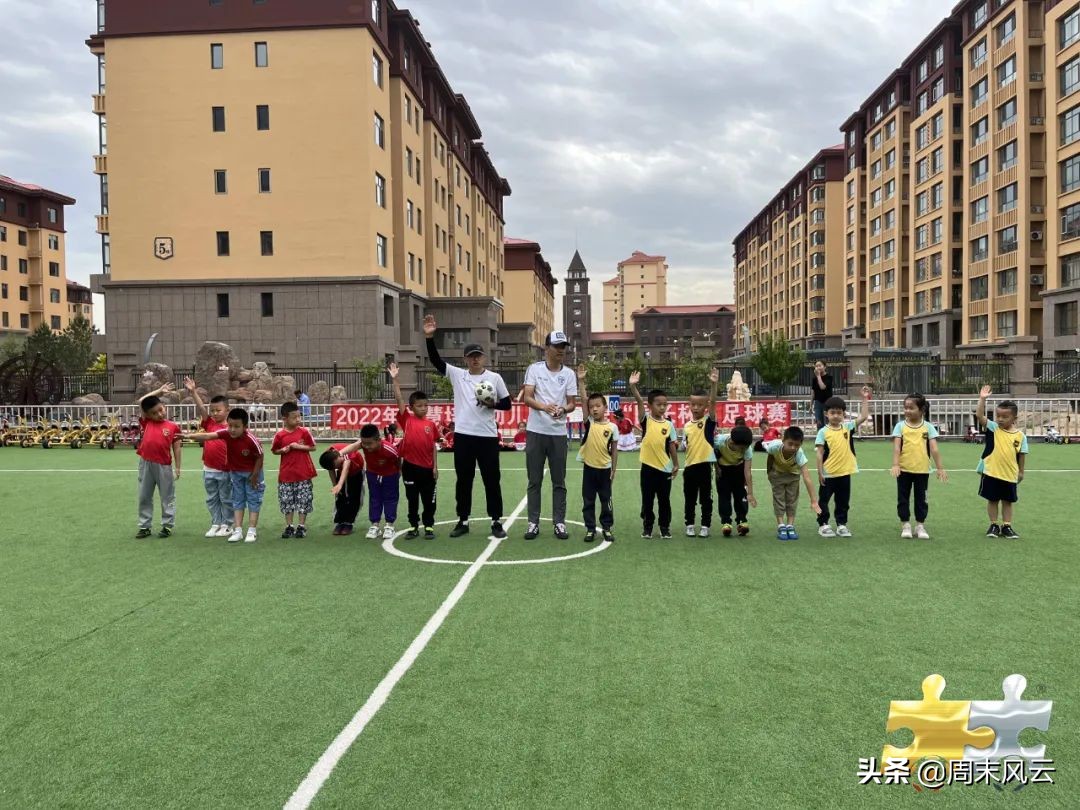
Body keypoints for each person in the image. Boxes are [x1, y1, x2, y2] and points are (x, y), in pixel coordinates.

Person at [424, 314, 511, 538]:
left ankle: (496, 521)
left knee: (492, 480)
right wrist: (429, 337)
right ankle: (463, 520)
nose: (475, 360)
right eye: (471, 357)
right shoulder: (458, 375)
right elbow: (435, 361)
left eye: (478, 356)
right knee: (464, 481)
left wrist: (492, 403)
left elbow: (507, 404)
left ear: (483, 358)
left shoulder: (494, 378)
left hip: (488, 437)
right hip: (463, 436)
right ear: (465, 359)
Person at [522, 331, 579, 540]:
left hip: (558, 434)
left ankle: (559, 522)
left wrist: (563, 409)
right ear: (547, 348)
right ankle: (533, 523)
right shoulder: (534, 369)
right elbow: (527, 398)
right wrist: (545, 407)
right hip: (536, 431)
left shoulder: (569, 374)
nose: (561, 350)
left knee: (559, 481)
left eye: (564, 346)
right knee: (534, 480)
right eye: (557, 346)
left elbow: (572, 403)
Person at [186, 408, 265, 543]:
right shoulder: (226, 433)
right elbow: (208, 436)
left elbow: (260, 456)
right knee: (237, 500)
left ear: (245, 427)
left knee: (253, 500)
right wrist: (187, 436)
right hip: (236, 474)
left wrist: (255, 475)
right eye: (230, 426)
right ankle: (238, 530)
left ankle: (252, 531)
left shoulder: (251, 439)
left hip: (252, 475)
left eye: (236, 427)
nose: (232, 430)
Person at [389, 363, 438, 539]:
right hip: (409, 467)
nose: (423, 408)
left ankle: (429, 526)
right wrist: (395, 380)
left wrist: (435, 467)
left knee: (429, 500)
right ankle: (413, 526)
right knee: (412, 500)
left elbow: (433, 445)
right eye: (419, 405)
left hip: (427, 469)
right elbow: (399, 400)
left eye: (426, 405)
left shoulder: (431, 425)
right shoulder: (407, 420)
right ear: (412, 407)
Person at [815, 387, 872, 538]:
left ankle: (841, 524)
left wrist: (865, 398)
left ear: (844, 414)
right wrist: (820, 472)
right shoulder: (823, 432)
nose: (836, 416)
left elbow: (864, 416)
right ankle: (823, 524)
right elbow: (820, 453)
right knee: (824, 500)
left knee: (843, 502)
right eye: (832, 413)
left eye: (839, 413)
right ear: (826, 414)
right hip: (828, 473)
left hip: (845, 472)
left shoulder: (847, 428)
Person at [889, 393, 948, 540]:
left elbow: (934, 449)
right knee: (903, 498)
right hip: (903, 470)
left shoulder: (928, 427)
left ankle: (920, 525)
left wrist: (940, 467)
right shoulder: (900, 426)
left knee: (921, 499)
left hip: (922, 471)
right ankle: (905, 525)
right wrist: (895, 464)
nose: (907, 411)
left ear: (922, 410)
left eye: (911, 408)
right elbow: (897, 447)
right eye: (905, 408)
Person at [629, 370, 678, 539]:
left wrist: (676, 464)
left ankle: (665, 527)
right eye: (659, 404)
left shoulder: (669, 425)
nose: (662, 407)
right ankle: (647, 527)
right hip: (648, 468)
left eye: (665, 404)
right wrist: (633, 386)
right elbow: (638, 402)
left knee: (665, 501)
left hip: (665, 468)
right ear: (651, 405)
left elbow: (671, 445)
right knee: (647, 500)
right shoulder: (646, 421)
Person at [975, 385, 1028, 539]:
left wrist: (1021, 471)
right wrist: (982, 399)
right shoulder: (993, 428)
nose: (1000, 419)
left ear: (1014, 419)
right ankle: (993, 525)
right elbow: (979, 415)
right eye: (998, 416)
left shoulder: (1020, 436)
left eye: (1005, 417)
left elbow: (1022, 454)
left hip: (1010, 473)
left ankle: (1007, 526)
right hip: (991, 471)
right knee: (992, 500)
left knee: (1008, 501)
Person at [184, 377, 232, 538]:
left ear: (227, 410)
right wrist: (193, 392)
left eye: (218, 410)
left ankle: (227, 524)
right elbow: (202, 409)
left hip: (225, 470)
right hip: (208, 468)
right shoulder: (210, 423)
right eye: (213, 411)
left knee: (226, 498)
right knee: (212, 498)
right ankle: (215, 523)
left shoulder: (231, 428)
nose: (215, 413)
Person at [135, 383, 183, 538]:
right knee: (144, 495)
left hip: (164, 466)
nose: (159, 414)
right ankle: (144, 526)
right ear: (148, 415)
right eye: (154, 413)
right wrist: (160, 391)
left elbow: (177, 448)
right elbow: (142, 401)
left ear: (164, 407)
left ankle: (167, 525)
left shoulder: (173, 426)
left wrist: (178, 467)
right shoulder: (146, 422)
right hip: (146, 463)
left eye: (161, 410)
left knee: (167, 496)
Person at [576, 366, 617, 544]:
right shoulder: (589, 423)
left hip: (605, 469)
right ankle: (590, 529)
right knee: (588, 500)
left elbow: (614, 451)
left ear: (605, 407)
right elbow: (584, 399)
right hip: (589, 469)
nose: (594, 409)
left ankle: (606, 528)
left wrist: (613, 470)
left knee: (606, 500)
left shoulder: (612, 427)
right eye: (591, 407)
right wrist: (581, 381)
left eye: (598, 406)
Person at [338, 424, 401, 540]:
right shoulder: (364, 444)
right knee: (374, 498)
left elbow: (398, 461)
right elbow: (353, 447)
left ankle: (389, 525)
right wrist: (339, 454)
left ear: (378, 440)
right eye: (364, 443)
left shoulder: (389, 449)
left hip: (390, 475)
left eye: (369, 444)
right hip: (372, 474)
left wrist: (398, 473)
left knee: (390, 498)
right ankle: (374, 525)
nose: (366, 447)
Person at [760, 427, 820, 540]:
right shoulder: (774, 447)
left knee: (791, 500)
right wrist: (770, 473)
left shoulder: (799, 454)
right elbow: (770, 458)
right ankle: (781, 525)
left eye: (797, 445)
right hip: (777, 475)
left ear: (801, 444)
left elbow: (807, 478)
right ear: (783, 440)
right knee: (779, 499)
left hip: (793, 476)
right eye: (790, 444)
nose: (793, 448)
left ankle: (790, 525)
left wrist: (813, 501)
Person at [682, 368, 720, 537]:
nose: (696, 408)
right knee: (689, 499)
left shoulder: (708, 422)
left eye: (700, 405)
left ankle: (705, 525)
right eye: (693, 404)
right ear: (689, 405)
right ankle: (689, 524)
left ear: (705, 407)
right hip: (689, 467)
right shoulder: (687, 425)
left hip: (705, 467)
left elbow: (713, 403)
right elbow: (685, 444)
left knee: (706, 499)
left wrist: (713, 384)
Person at [272, 402, 318, 539]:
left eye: (299, 417)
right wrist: (283, 450)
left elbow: (312, 447)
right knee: (287, 500)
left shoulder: (304, 432)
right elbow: (274, 450)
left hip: (303, 473)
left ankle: (301, 526)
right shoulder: (280, 435)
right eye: (294, 417)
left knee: (303, 499)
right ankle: (289, 526)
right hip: (286, 474)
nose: (298, 420)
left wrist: (297, 446)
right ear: (285, 418)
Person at [714, 424, 757, 536]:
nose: (744, 450)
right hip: (723, 471)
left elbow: (747, 471)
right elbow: (712, 455)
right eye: (742, 448)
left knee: (740, 495)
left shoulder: (747, 448)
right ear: (732, 443)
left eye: (746, 447)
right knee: (724, 496)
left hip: (738, 470)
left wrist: (750, 493)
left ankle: (742, 521)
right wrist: (717, 468)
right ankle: (726, 522)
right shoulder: (719, 442)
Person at [320, 444, 365, 536]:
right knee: (340, 497)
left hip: (356, 472)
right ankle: (339, 522)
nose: (336, 468)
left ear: (337, 459)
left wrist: (340, 485)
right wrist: (335, 485)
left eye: (336, 466)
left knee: (354, 497)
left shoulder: (346, 455)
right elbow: (331, 469)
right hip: (342, 474)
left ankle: (349, 523)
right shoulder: (328, 455)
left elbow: (345, 469)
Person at [811, 361, 833, 430]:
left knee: (827, 422)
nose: (818, 367)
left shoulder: (829, 377)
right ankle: (820, 439)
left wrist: (818, 376)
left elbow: (822, 387)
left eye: (820, 365)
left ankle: (828, 438)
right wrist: (811, 404)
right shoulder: (814, 379)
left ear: (825, 367)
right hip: (818, 402)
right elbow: (813, 392)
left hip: (827, 402)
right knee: (819, 422)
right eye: (816, 366)